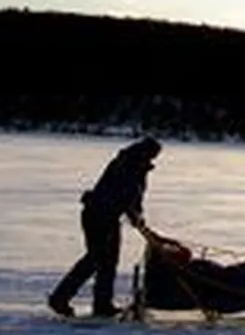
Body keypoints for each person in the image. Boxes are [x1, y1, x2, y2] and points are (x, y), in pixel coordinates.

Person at [48, 135, 162, 318]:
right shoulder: (127, 165)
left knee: (108, 261)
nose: (152, 159)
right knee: (95, 259)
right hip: (98, 215)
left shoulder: (137, 167)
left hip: (108, 216)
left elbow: (135, 198)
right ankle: (60, 298)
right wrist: (134, 216)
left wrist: (138, 216)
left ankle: (102, 304)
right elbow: (125, 195)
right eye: (152, 154)